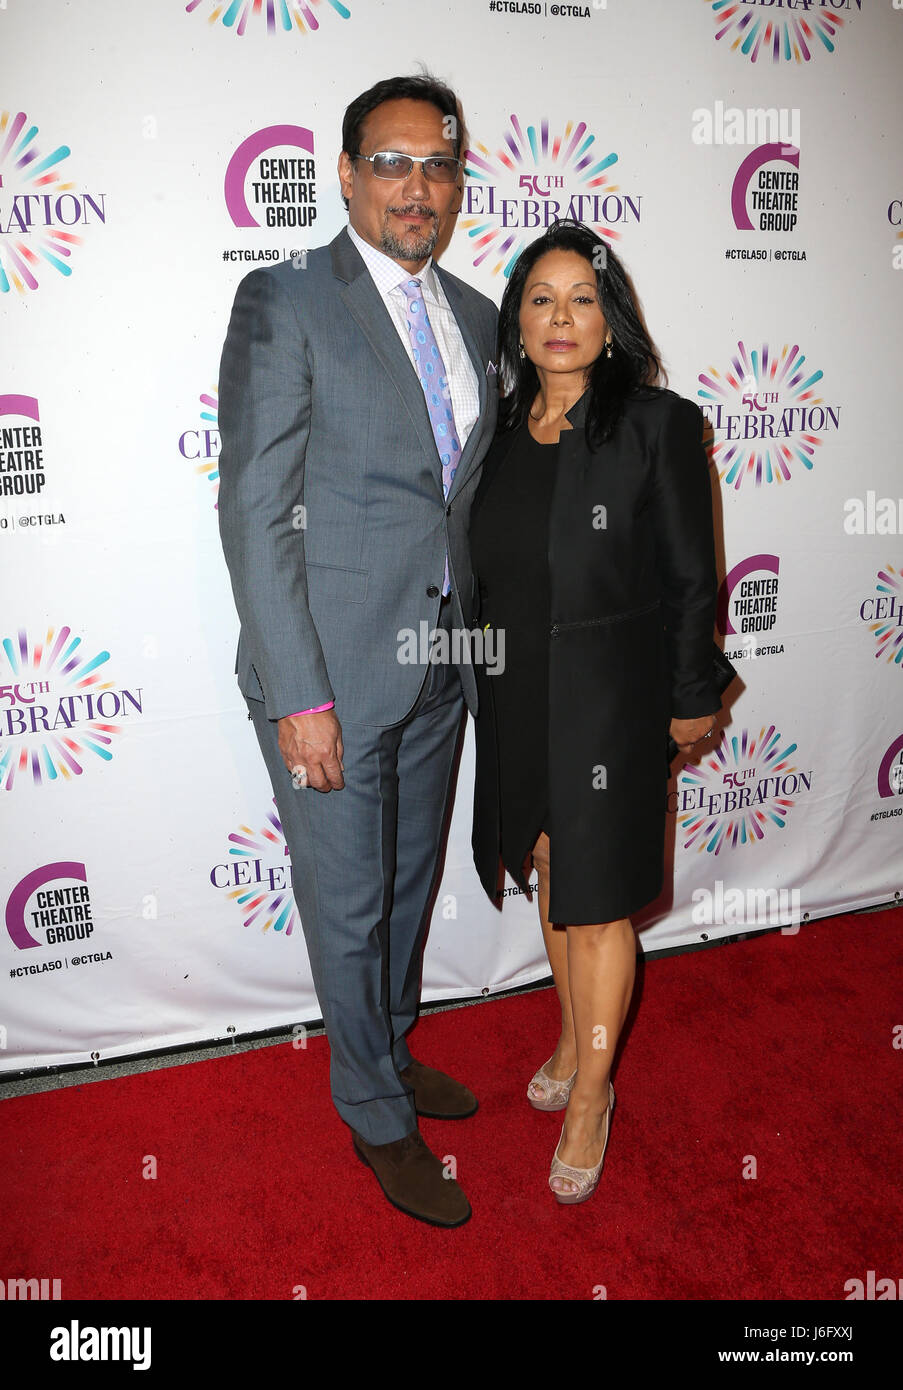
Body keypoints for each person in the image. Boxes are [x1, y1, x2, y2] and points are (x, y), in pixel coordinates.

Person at [217, 74, 499, 1228]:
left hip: (440, 666)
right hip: (327, 675)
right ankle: (375, 1116)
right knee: (345, 900)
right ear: (346, 176)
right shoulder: (287, 301)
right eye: (391, 163)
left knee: (403, 887)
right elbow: (252, 507)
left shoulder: (479, 315)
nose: (416, 185)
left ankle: (386, 1046)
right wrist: (300, 695)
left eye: (437, 165)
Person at [469, 219, 720, 1204]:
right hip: (518, 689)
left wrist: (690, 697)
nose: (560, 317)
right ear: (518, 323)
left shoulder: (657, 423)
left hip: (613, 701)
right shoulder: (499, 428)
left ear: (610, 320)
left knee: (599, 897)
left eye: (582, 298)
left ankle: (594, 1096)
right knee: (547, 867)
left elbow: (693, 577)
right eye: (540, 298)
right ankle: (574, 1038)